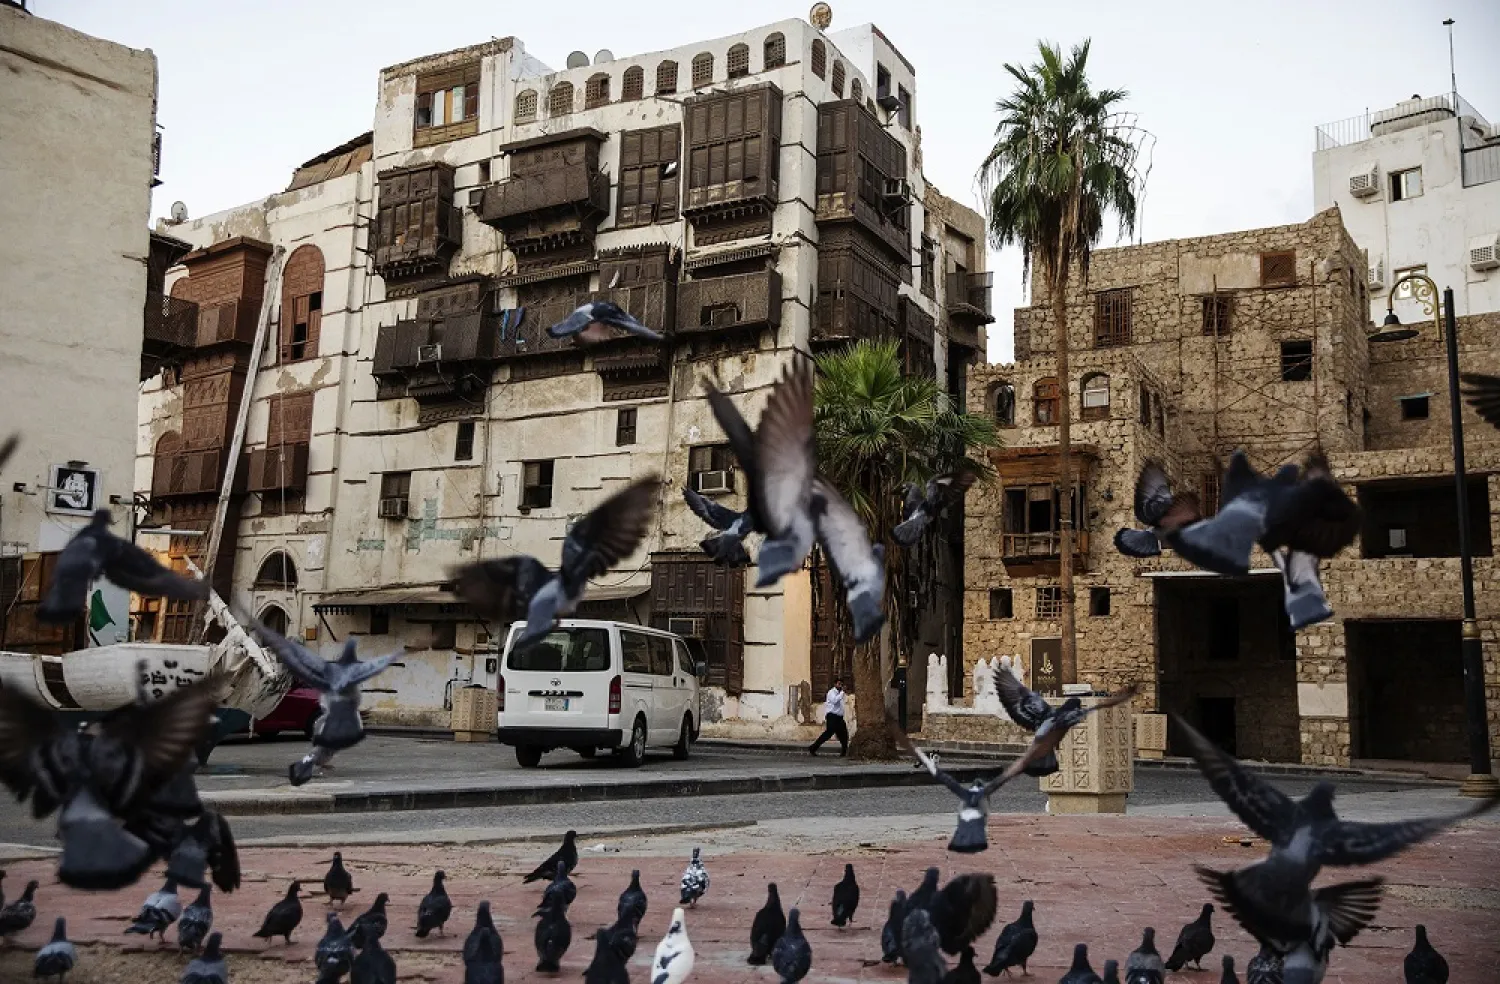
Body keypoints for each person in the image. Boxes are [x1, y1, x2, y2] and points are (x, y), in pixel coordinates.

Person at [809, 678, 849, 756]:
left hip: (839, 718)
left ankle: (844, 752)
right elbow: (834, 701)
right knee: (828, 733)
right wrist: (842, 692)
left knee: (844, 734)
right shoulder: (831, 692)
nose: (840, 686)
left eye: (841, 684)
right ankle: (813, 748)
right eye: (839, 684)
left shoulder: (840, 693)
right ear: (835, 684)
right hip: (832, 716)